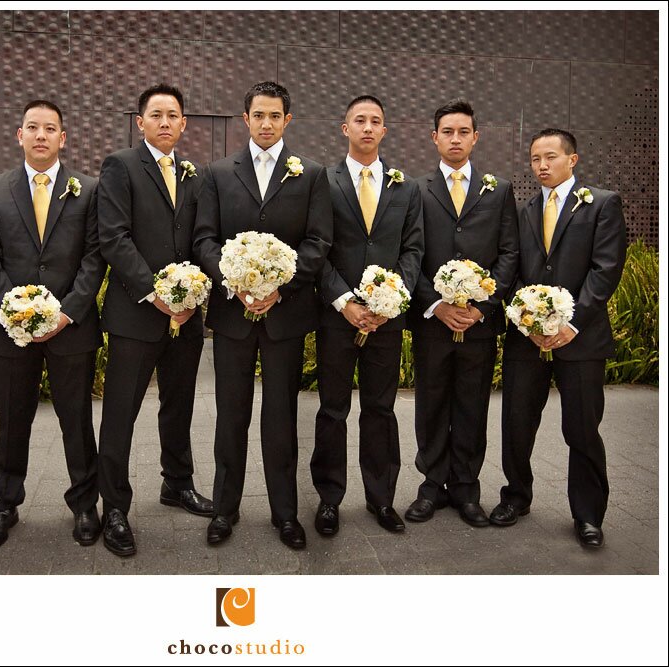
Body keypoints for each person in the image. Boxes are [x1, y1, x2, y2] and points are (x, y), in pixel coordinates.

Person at [194, 81, 332, 550]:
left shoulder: (311, 174)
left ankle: (286, 514)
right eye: (258, 115)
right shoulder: (217, 173)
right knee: (230, 416)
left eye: (275, 116)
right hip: (234, 317)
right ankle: (224, 510)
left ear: (287, 120)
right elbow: (205, 240)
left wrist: (280, 286)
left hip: (285, 315)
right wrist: (235, 283)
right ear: (245, 118)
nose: (267, 123)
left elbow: (317, 242)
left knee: (281, 417)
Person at [0, 100, 106, 552]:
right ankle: (5, 504)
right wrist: (16, 311)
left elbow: (94, 257)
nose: (41, 135)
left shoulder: (87, 189)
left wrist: (66, 312)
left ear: (63, 138)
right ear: (20, 134)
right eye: (33, 127)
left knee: (77, 420)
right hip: (11, 331)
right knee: (12, 421)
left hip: (72, 329)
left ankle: (85, 504)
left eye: (51, 128)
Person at [490, 128, 626, 549]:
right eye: (535, 159)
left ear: (573, 159)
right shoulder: (525, 209)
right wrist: (527, 321)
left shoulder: (601, 204)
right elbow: (512, 267)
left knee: (582, 427)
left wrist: (571, 323)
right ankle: (516, 497)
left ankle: (588, 515)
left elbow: (605, 271)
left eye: (550, 157)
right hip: (526, 338)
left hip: (580, 338)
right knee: (516, 422)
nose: (542, 166)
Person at [96, 83, 212, 558]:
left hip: (186, 315)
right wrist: (158, 294)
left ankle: (177, 483)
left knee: (179, 404)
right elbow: (114, 237)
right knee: (121, 411)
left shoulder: (195, 174)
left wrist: (193, 293)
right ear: (140, 122)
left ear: (184, 124)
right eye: (156, 114)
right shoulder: (121, 167)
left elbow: (203, 237)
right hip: (136, 313)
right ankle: (115, 506)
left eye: (174, 115)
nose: (165, 122)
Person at [312, 95, 424, 536]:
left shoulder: (406, 187)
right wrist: (345, 302)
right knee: (332, 409)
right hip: (337, 317)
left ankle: (382, 499)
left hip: (386, 320)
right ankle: (328, 499)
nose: (367, 127)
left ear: (385, 130)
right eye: (359, 120)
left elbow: (413, 249)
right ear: (344, 128)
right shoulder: (324, 181)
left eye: (376, 121)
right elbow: (317, 246)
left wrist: (389, 302)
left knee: (381, 409)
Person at [406, 99, 518, 527]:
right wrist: (435, 305)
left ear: (476, 136)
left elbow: (509, 253)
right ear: (435, 137)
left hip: (477, 324)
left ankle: (467, 490)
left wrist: (481, 305)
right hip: (434, 322)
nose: (456, 139)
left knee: (472, 406)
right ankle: (432, 487)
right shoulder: (416, 189)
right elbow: (410, 253)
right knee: (431, 404)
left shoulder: (499, 189)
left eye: (463, 132)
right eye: (447, 132)